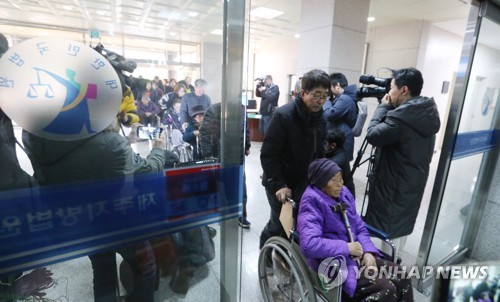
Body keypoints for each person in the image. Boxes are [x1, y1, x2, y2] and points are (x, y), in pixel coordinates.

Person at [22, 121, 174, 302]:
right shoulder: (111, 141)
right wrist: (158, 149)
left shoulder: (37, 138)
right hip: (119, 217)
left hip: (80, 221)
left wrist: (126, 141)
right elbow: (147, 171)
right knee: (145, 265)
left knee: (103, 271)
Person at [298, 158, 413, 301]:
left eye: (340, 179)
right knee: (386, 288)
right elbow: (309, 244)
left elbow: (358, 226)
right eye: (333, 180)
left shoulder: (344, 194)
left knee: (402, 275)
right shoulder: (311, 201)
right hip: (334, 263)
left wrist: (368, 252)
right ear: (320, 182)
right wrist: (347, 248)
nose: (340, 184)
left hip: (356, 254)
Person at [364, 68, 440, 249]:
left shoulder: (400, 119)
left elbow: (372, 135)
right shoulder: (424, 112)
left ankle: (387, 273)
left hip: (394, 187)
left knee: (388, 239)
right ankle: (392, 268)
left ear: (404, 90)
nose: (389, 93)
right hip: (410, 184)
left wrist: (383, 107)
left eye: (391, 88)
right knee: (399, 232)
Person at [259, 69, 329, 249]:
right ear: (303, 93)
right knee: (278, 224)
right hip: (281, 183)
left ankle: (286, 256)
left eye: (325, 96)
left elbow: (319, 151)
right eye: (316, 95)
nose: (321, 101)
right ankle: (266, 255)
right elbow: (268, 154)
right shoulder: (284, 115)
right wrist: (279, 184)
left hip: (304, 182)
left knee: (296, 224)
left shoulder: (320, 118)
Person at [199, 102, 251, 228]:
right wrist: (208, 154)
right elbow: (204, 133)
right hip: (220, 156)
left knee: (240, 188)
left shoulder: (242, 109)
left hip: (237, 157)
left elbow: (245, 129)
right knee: (221, 188)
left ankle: (241, 216)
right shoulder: (214, 109)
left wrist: (247, 145)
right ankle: (222, 215)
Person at [323, 73, 358, 162]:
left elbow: (329, 115)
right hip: (341, 137)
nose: (329, 89)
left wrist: (326, 101)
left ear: (337, 85)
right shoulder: (345, 97)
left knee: (340, 169)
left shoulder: (345, 99)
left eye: (330, 86)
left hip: (342, 140)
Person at [325, 128, 355, 198]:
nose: (323, 145)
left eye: (325, 143)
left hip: (344, 196)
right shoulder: (338, 150)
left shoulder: (337, 161)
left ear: (333, 145)